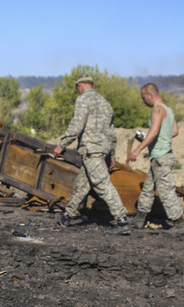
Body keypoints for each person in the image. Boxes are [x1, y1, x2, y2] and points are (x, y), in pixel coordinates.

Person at [51, 74, 130, 235]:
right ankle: (67, 216)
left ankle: (122, 220)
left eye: (77, 88)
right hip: (101, 150)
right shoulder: (105, 104)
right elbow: (111, 134)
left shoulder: (83, 100)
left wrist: (61, 145)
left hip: (91, 150)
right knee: (83, 184)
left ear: (80, 86)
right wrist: (111, 156)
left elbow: (76, 125)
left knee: (102, 185)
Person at [128, 83, 184, 235]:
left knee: (166, 191)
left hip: (160, 157)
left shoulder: (157, 110)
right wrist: (159, 139)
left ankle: (179, 224)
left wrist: (137, 150)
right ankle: (140, 219)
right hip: (163, 156)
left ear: (150, 95)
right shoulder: (168, 110)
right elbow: (174, 131)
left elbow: (153, 132)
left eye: (143, 97)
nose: (143, 101)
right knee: (148, 189)